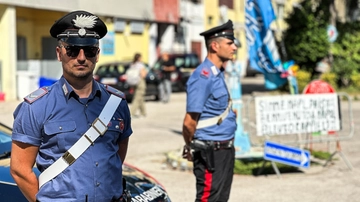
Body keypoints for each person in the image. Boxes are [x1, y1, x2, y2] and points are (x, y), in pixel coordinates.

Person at [10, 10, 132, 202]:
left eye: (89, 50)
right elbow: (20, 169)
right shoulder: (36, 107)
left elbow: (117, 154)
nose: (81, 57)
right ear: (59, 53)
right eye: (73, 50)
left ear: (97, 54)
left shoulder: (116, 103)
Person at [182, 20, 238, 202]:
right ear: (215, 46)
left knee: (221, 198)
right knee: (208, 199)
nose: (234, 47)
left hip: (224, 149)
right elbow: (189, 122)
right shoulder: (202, 76)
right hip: (210, 152)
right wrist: (190, 145)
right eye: (230, 43)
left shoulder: (216, 72)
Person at [130, 53, 147, 118]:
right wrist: (145, 72)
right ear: (139, 58)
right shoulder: (140, 65)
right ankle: (131, 113)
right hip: (140, 82)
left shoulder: (133, 64)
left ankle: (143, 112)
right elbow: (143, 75)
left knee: (140, 97)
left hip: (134, 82)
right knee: (137, 98)